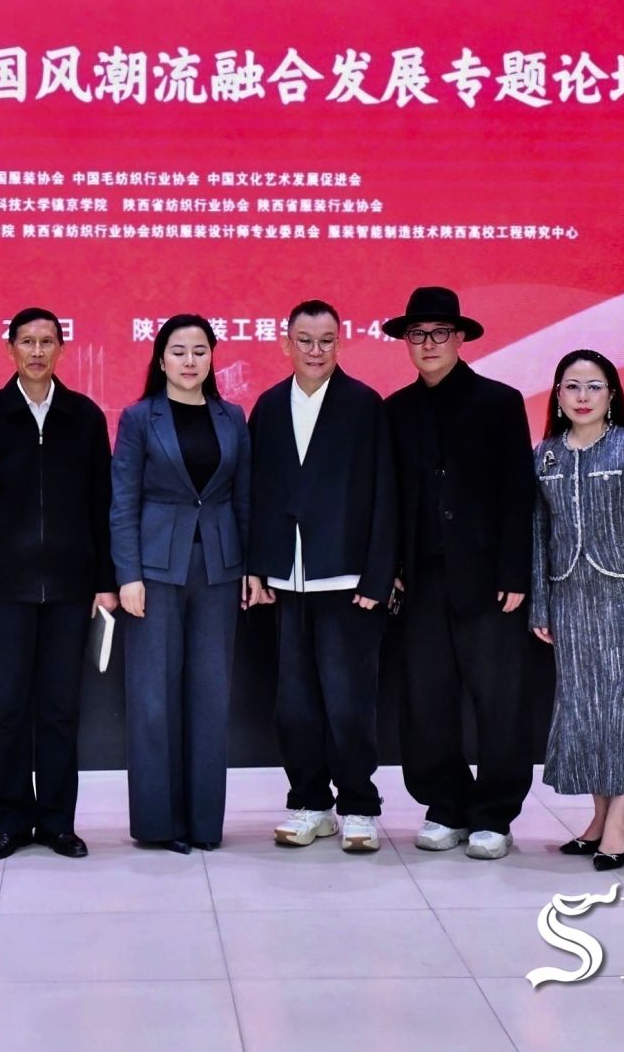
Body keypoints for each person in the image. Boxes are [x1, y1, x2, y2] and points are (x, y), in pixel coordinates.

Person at [0, 307, 117, 861]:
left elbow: (102, 505)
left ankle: (59, 823)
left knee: (61, 710)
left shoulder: (85, 416)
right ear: (10, 349)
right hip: (5, 588)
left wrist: (105, 581)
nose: (37, 351)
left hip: (71, 589)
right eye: (27, 342)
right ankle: (11, 821)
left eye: (47, 341)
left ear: (62, 348)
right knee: (9, 709)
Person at [382, 287, 535, 861]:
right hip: (420, 579)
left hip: (489, 579)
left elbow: (518, 494)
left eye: (439, 333)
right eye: (417, 334)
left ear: (460, 338)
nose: (428, 344)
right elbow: (387, 497)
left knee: (499, 699)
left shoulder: (499, 401)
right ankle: (444, 805)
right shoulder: (395, 410)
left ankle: (494, 813)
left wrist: (515, 570)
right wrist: (391, 568)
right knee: (427, 698)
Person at [246, 300, 397, 853]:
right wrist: (257, 567)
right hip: (288, 582)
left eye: (326, 340)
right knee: (295, 707)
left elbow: (385, 495)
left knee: (349, 704)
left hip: (348, 581)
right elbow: (256, 494)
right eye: (305, 340)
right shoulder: (267, 406)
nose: (315, 350)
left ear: (340, 342)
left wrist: (378, 577)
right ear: (286, 343)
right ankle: (310, 803)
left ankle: (359, 806)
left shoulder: (364, 404)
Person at [528, 349, 624, 872]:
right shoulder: (545, 454)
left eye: (594, 386)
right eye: (572, 386)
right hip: (569, 597)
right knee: (585, 709)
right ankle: (598, 817)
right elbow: (538, 535)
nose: (583, 396)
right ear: (558, 395)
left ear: (612, 394)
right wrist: (540, 604)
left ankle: (620, 820)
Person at [111, 313, 251, 854]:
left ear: (212, 357)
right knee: (153, 698)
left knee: (210, 698)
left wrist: (250, 568)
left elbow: (243, 498)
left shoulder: (232, 416)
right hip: (153, 571)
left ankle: (203, 824)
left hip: (218, 569)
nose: (190, 361)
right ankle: (158, 824)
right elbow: (123, 501)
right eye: (178, 351)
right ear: (161, 358)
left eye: (199, 351)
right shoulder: (138, 417)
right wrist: (128, 575)